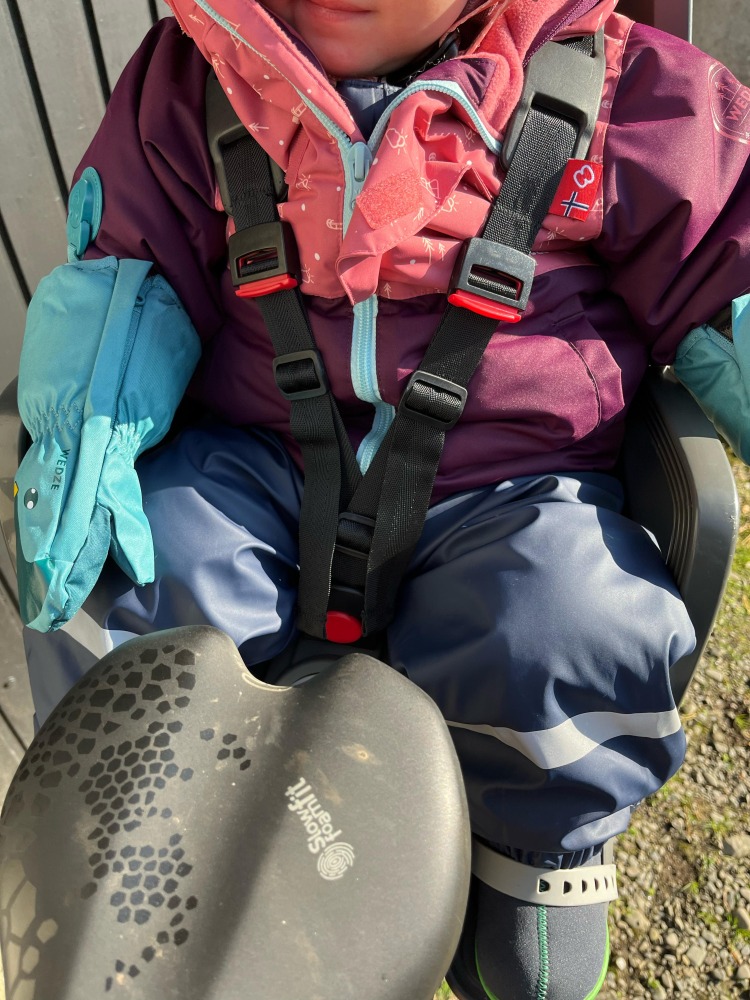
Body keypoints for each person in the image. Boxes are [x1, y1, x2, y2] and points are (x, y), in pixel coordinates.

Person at [13, 0, 750, 997]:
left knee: (569, 623)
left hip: (509, 481)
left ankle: (533, 846)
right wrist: (90, 424)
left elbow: (730, 263)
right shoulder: (198, 78)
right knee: (127, 579)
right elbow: (131, 269)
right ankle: (148, 832)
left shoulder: (623, 99)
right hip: (262, 461)